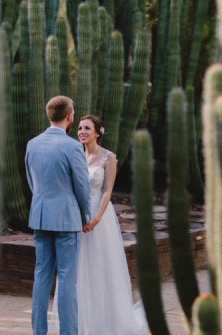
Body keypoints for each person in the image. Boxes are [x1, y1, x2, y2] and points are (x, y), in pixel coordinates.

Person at [51, 115, 148, 335]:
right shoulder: (75, 154)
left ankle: (108, 323)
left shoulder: (108, 157)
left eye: (87, 128)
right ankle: (83, 323)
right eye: (80, 128)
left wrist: (95, 219)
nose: (82, 131)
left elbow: (107, 191)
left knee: (100, 266)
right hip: (77, 219)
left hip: (99, 218)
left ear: (97, 132)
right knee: (79, 270)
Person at [25, 96, 92, 335]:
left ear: (48, 115)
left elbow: (33, 182)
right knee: (66, 280)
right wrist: (86, 215)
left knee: (41, 276)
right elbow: (83, 188)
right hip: (67, 220)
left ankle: (39, 332)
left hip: (40, 217)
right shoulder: (73, 147)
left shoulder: (32, 144)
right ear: (70, 117)